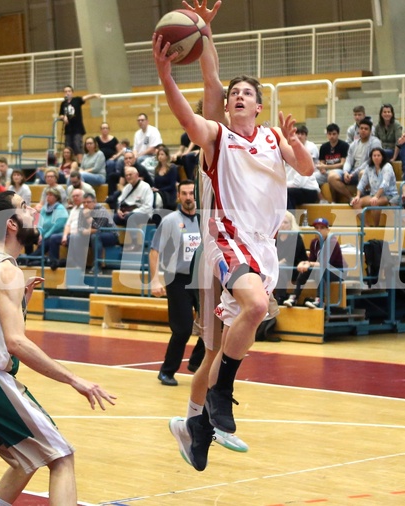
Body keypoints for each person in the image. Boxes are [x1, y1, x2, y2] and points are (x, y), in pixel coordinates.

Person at [154, 0, 314, 471]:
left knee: (225, 344)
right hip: (224, 241)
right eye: (233, 93)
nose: (238, 96)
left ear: (260, 105)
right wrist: (201, 35)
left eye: (247, 93)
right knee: (230, 331)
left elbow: (306, 169)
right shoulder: (216, 134)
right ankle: (209, 408)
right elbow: (208, 82)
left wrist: (297, 143)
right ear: (225, 103)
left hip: (264, 248)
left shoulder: (270, 137)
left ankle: (197, 426)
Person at [0, 191, 115, 506]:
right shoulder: (7, 271)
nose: (33, 210)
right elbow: (16, 342)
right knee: (61, 456)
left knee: (26, 460)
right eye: (24, 207)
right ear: (11, 224)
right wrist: (75, 380)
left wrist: (21, 302)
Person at [149, 180, 205, 386]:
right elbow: (154, 251)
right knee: (182, 329)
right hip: (177, 279)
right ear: (179, 196)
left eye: (191, 193)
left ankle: (197, 361)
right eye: (184, 193)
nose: (189, 197)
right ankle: (167, 371)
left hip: (203, 280)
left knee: (213, 326)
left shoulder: (206, 220)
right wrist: (155, 279)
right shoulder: (170, 220)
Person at [283, 217, 345, 309]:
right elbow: (311, 259)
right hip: (321, 268)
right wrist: (304, 263)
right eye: (317, 228)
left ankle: (319, 301)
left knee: (320, 271)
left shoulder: (332, 242)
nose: (319, 230)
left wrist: (309, 264)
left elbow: (325, 263)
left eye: (322, 228)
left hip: (336, 271)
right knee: (305, 270)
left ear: (328, 230)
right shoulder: (314, 242)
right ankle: (294, 297)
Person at [328, 119, 382, 202]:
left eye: (366, 129)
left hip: (369, 171)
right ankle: (350, 198)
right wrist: (346, 172)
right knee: (331, 175)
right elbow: (348, 160)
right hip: (352, 172)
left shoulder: (375, 142)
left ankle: (362, 199)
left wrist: (353, 173)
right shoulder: (354, 144)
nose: (363, 130)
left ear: (370, 131)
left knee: (362, 173)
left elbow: (369, 161)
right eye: (361, 128)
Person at [350, 148, 399, 227]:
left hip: (388, 195)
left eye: (378, 155)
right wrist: (358, 195)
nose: (376, 157)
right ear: (371, 157)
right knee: (355, 203)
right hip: (373, 194)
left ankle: (376, 227)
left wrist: (376, 196)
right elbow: (362, 182)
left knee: (374, 202)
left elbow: (385, 183)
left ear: (382, 157)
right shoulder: (369, 167)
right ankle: (367, 226)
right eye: (374, 155)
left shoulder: (387, 167)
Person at [59, 85, 101, 163]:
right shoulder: (63, 103)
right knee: (68, 147)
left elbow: (85, 98)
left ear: (72, 92)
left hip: (77, 128)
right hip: (68, 129)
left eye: (69, 91)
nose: (67, 93)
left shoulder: (76, 100)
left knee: (77, 146)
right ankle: (69, 163)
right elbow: (61, 114)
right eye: (65, 91)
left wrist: (94, 95)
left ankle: (80, 163)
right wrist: (63, 117)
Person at [274, 211, 308, 305]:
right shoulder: (276, 237)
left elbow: (290, 257)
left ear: (291, 224)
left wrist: (276, 264)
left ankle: (280, 297)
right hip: (279, 266)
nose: (283, 225)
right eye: (281, 222)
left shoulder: (296, 237)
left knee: (281, 268)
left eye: (286, 222)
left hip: (296, 269)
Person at [47, 188, 85, 270]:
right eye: (73, 196)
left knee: (74, 237)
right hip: (70, 234)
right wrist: (64, 236)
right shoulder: (74, 210)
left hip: (81, 235)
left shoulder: (86, 208)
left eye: (77, 196)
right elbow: (67, 225)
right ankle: (54, 262)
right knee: (54, 238)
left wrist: (71, 234)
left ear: (83, 197)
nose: (75, 198)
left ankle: (75, 265)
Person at [286, 124, 320, 209]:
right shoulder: (288, 148)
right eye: (297, 133)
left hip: (309, 190)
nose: (299, 136)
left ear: (306, 136)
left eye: (302, 134)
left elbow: (299, 183)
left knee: (287, 193)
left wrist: (282, 186)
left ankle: (290, 221)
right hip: (295, 188)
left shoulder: (309, 148)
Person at [316, 123, 350, 202]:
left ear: (338, 134)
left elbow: (342, 164)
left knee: (331, 176)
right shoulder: (324, 147)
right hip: (326, 172)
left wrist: (326, 167)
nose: (332, 136)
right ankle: (321, 200)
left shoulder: (344, 145)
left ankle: (334, 201)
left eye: (334, 134)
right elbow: (321, 163)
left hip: (340, 171)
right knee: (311, 178)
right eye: (329, 134)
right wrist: (322, 169)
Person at [36, 187, 69, 260]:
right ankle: (32, 258)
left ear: (56, 197)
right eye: (47, 195)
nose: (48, 196)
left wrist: (46, 236)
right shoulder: (44, 208)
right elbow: (40, 223)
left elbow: (57, 226)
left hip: (54, 234)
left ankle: (32, 258)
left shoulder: (60, 208)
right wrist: (40, 234)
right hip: (43, 235)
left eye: (51, 195)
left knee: (49, 239)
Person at [152, 144, 179, 210]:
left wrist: (159, 190)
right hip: (159, 193)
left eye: (162, 154)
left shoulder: (172, 168)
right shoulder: (157, 169)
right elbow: (156, 184)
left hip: (169, 194)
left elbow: (172, 185)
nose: (160, 156)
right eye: (158, 155)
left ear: (167, 156)